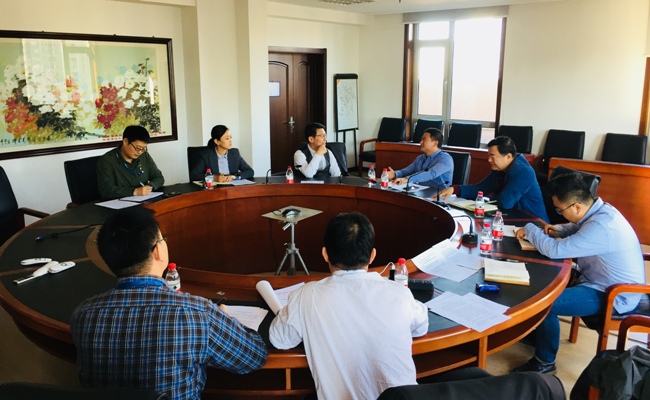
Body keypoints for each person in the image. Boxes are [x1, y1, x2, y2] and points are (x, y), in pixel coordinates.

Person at [71, 208, 267, 400]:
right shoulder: (197, 313)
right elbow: (253, 357)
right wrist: (226, 318)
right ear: (158, 251)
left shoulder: (83, 314)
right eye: (162, 239)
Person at [268, 212, 429, 400]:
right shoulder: (399, 292)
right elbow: (421, 327)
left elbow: (279, 339)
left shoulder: (306, 295)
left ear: (325, 254)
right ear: (372, 255)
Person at [512, 173, 645, 374]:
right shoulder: (601, 211)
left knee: (546, 302)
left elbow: (554, 250)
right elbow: (578, 226)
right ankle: (540, 331)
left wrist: (530, 228)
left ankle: (545, 362)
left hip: (614, 294)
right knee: (542, 281)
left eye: (560, 209)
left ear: (576, 207)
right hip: (599, 279)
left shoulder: (602, 226)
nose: (559, 213)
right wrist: (559, 230)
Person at [438, 135, 549, 222]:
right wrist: (455, 189)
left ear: (508, 156)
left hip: (534, 223)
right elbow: (480, 188)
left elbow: (505, 202)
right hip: (511, 218)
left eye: (492, 156)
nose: (489, 160)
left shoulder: (523, 171)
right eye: (488, 156)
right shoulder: (499, 170)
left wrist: (486, 199)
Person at [97, 125, 165, 199]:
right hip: (118, 203)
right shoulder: (107, 160)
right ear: (125, 141)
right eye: (138, 148)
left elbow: (159, 178)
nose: (139, 152)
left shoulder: (144, 156)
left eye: (143, 149)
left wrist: (150, 187)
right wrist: (134, 191)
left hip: (144, 200)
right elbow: (106, 190)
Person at [386, 128, 453, 189]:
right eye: (421, 140)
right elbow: (407, 171)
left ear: (435, 143)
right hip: (420, 192)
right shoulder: (420, 158)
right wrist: (394, 174)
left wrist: (407, 179)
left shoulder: (446, 159)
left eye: (424, 140)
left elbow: (431, 173)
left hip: (439, 194)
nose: (420, 142)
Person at [189, 124, 254, 182]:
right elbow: (194, 175)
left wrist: (235, 177)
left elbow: (250, 171)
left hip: (232, 188)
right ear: (217, 141)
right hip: (214, 189)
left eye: (231, 137)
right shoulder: (206, 156)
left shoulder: (235, 153)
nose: (230, 141)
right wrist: (214, 178)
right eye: (227, 138)